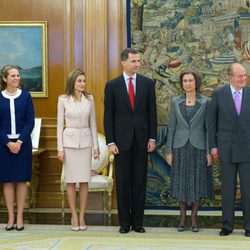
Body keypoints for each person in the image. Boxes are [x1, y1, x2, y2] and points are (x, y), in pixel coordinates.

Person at [104, 48, 157, 234]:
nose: (137, 64)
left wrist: (152, 137)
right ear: (124, 63)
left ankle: (138, 223)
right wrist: (110, 142)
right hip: (121, 143)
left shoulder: (148, 84)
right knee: (123, 183)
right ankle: (124, 223)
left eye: (139, 61)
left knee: (140, 182)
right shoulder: (112, 85)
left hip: (142, 141)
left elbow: (152, 113)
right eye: (134, 61)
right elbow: (108, 117)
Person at [166, 68, 214, 233]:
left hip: (199, 147)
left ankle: (194, 218)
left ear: (196, 82)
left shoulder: (206, 102)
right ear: (182, 83)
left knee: (197, 182)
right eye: (185, 81)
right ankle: (182, 218)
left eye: (190, 80)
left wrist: (208, 151)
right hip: (179, 148)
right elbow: (171, 127)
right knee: (181, 182)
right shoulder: (175, 102)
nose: (187, 83)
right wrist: (168, 151)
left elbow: (209, 129)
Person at [208, 63, 250, 237]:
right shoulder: (218, 94)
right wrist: (213, 146)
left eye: (245, 75)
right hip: (225, 149)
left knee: (248, 190)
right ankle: (227, 225)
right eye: (240, 76)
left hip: (247, 148)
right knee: (227, 189)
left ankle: (248, 226)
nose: (244, 78)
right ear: (230, 77)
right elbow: (211, 123)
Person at [57, 69, 99, 231]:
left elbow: (93, 124)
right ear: (72, 82)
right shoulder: (63, 100)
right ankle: (73, 215)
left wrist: (96, 147)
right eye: (79, 80)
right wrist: (60, 149)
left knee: (84, 181)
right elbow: (60, 126)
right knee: (71, 181)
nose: (83, 83)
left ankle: (82, 215)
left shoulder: (90, 99)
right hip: (69, 144)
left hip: (86, 143)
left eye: (84, 80)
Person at [0, 65, 35, 231]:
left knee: (21, 180)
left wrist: (19, 142)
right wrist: (7, 142)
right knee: (7, 180)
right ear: (5, 78)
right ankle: (11, 216)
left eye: (18, 75)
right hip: (4, 145)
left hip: (23, 145)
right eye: (13, 76)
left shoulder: (26, 96)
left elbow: (30, 122)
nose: (16, 78)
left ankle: (20, 216)